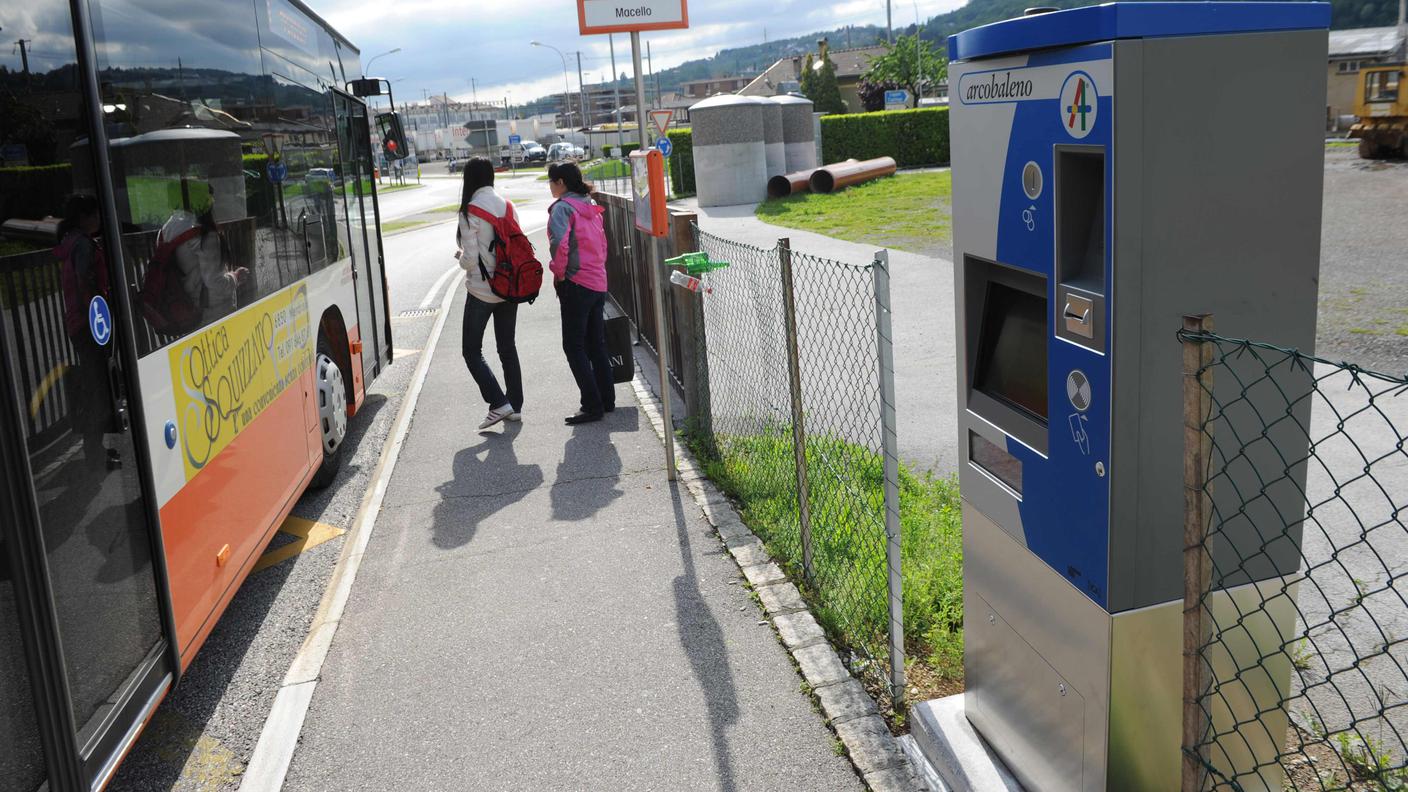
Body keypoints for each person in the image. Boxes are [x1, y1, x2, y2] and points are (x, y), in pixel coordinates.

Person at [456, 156, 523, 429]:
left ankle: (498, 402)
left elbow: (470, 260)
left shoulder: (470, 211)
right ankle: (515, 406)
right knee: (507, 348)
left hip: (482, 292)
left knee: (471, 351)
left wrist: (460, 257)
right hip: (510, 288)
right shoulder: (508, 205)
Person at [53, 194, 117, 470]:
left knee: (96, 385)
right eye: (95, 215)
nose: (99, 220)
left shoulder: (70, 243)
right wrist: (99, 314)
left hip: (77, 323)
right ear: (84, 217)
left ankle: (96, 448)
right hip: (90, 324)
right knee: (99, 389)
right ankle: (94, 452)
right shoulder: (82, 246)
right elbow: (85, 282)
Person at [546, 162, 612, 425]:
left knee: (573, 346)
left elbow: (559, 244)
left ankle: (591, 405)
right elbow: (603, 245)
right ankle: (606, 400)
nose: (550, 187)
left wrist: (559, 273)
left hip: (575, 282)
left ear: (560, 182)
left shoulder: (563, 209)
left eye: (551, 181)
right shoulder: (590, 207)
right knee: (596, 344)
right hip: (597, 281)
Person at [157, 186, 247, 327]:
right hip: (212, 312)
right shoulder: (205, 234)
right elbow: (214, 283)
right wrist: (236, 277)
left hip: (181, 308)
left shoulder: (164, 230)